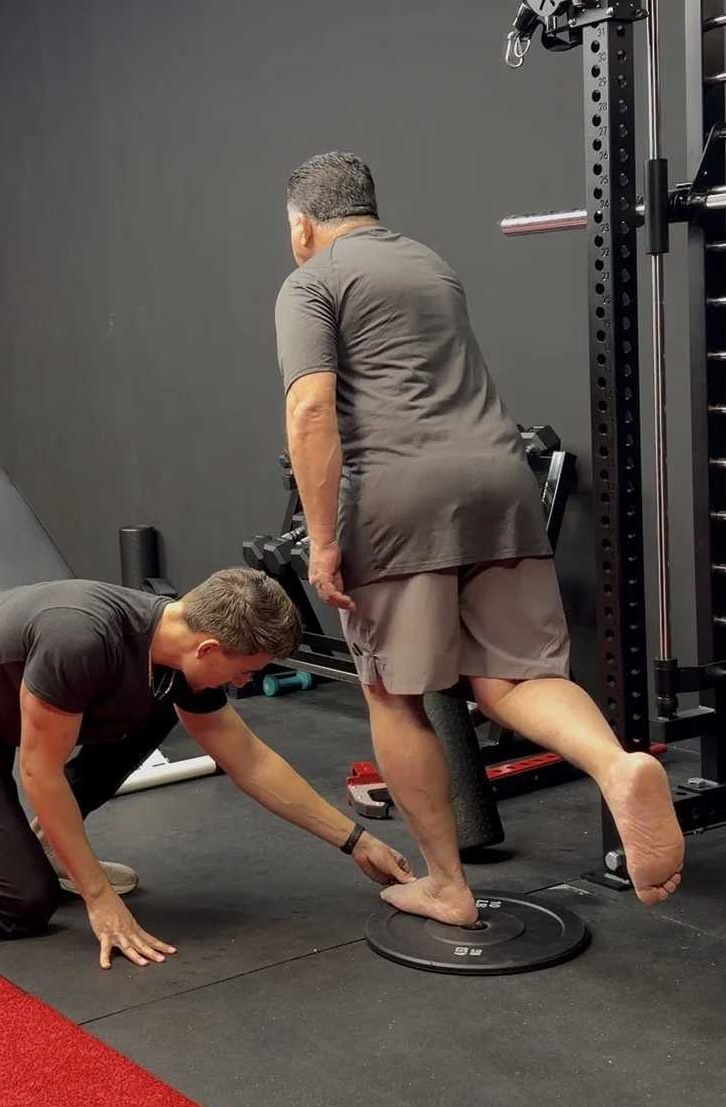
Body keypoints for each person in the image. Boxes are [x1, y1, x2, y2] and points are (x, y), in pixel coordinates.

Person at [274, 151, 684, 929]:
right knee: (511, 676)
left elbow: (309, 413)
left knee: (393, 694)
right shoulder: (430, 264)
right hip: (501, 480)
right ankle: (614, 764)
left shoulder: (311, 281)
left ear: (302, 225)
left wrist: (322, 543)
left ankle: (445, 886)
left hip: (400, 494)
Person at [0, 567, 413, 968]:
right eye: (246, 670)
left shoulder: (175, 650)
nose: (247, 684)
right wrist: (99, 898)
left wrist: (354, 840)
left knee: (160, 708)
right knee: (19, 906)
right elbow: (42, 773)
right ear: (211, 646)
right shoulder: (82, 638)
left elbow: (246, 757)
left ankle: (46, 844)